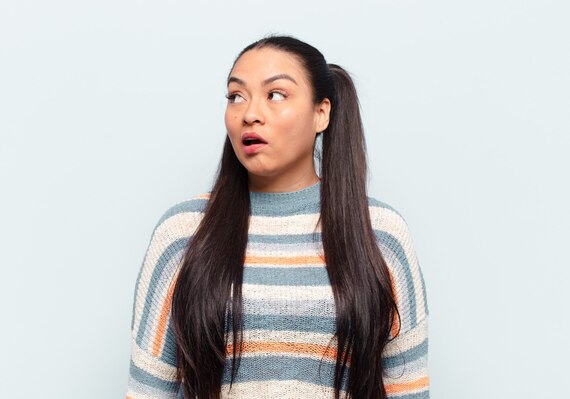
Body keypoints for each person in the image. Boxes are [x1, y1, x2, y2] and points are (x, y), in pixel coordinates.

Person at [125, 35, 429, 399]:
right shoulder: (183, 232)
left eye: (275, 95)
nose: (249, 113)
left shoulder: (380, 233)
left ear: (322, 113)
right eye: (236, 96)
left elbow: (407, 390)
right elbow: (147, 392)